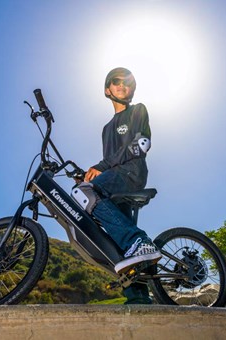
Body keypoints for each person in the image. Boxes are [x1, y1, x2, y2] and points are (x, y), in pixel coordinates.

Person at [78, 67, 161, 304]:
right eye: (117, 82)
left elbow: (142, 144)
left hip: (131, 173)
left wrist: (101, 168)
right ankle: (139, 299)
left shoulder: (137, 111)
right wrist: (94, 174)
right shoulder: (106, 129)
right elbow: (108, 162)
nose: (123, 85)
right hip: (115, 180)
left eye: (128, 82)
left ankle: (140, 240)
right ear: (108, 89)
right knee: (119, 244)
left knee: (86, 193)